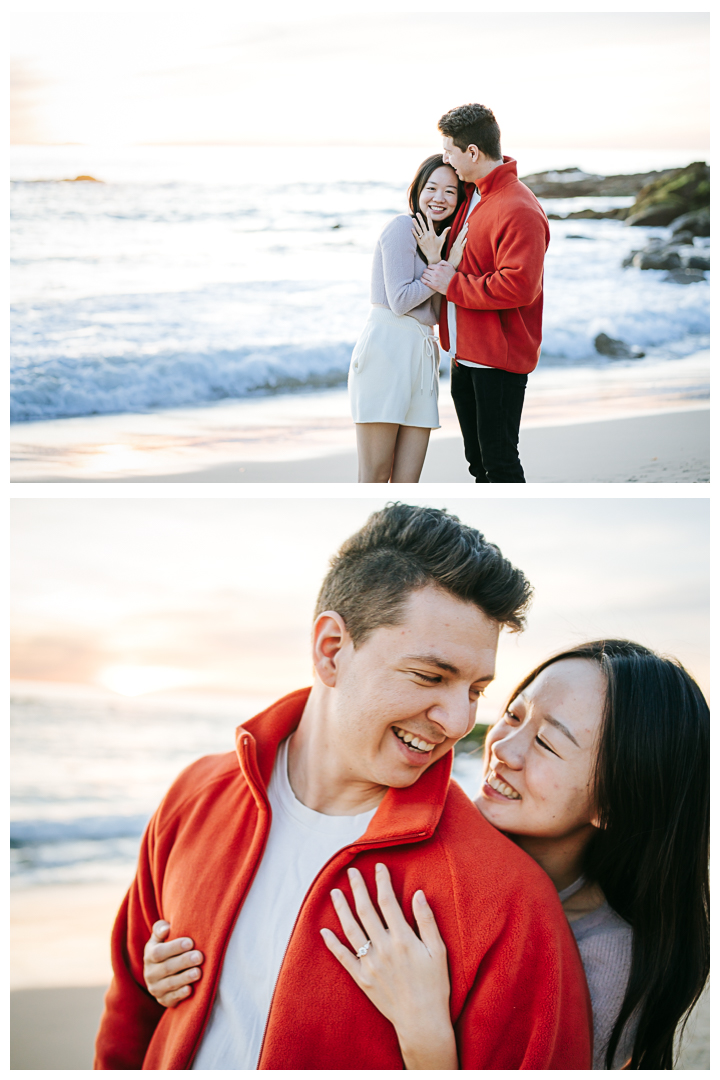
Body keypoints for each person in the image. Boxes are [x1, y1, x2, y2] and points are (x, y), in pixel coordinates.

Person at [94, 503, 592, 1070]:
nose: (458, 722)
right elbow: (130, 1012)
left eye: (476, 689)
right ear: (331, 649)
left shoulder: (508, 903)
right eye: (430, 676)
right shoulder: (196, 794)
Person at [146, 640, 710, 1070]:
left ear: (616, 801)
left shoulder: (607, 960)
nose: (503, 750)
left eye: (547, 743)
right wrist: (190, 964)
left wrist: (426, 1033)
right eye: (514, 715)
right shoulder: (429, 846)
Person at [421, 103, 551, 483]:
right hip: (466, 356)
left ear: (473, 152)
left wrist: (452, 285)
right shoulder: (475, 194)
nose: (446, 159)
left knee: (500, 464)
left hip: (498, 361)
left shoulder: (518, 207)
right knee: (479, 464)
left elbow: (519, 286)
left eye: (449, 152)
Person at [350, 155, 468, 483]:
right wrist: (439, 263)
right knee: (374, 475)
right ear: (417, 190)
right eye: (432, 188)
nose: (439, 198)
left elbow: (440, 311)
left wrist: (442, 260)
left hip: (422, 353)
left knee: (408, 481)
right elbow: (400, 301)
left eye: (450, 191)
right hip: (387, 347)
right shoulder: (401, 228)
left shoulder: (443, 243)